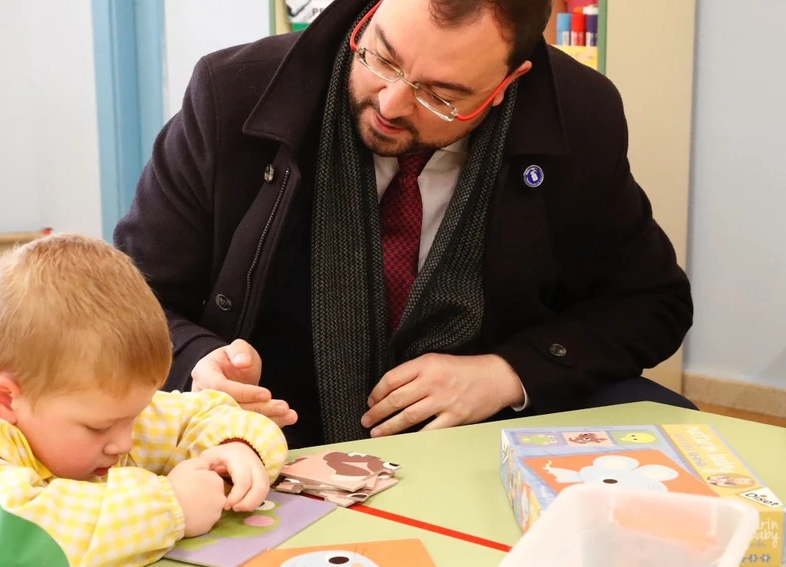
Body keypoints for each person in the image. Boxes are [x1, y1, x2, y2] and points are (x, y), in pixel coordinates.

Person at [114, 0, 695, 449]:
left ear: (507, 83)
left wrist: (509, 372)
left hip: (483, 435)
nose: (391, 103)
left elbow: (652, 302)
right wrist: (198, 363)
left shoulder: (578, 114)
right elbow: (129, 298)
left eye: (442, 95)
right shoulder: (232, 95)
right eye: (383, 57)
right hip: (275, 435)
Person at [0, 234, 288, 567]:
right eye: (99, 428)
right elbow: (8, 546)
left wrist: (236, 446)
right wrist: (170, 506)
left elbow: (204, 411)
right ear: (5, 400)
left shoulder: (93, 404)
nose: (123, 442)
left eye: (132, 417)